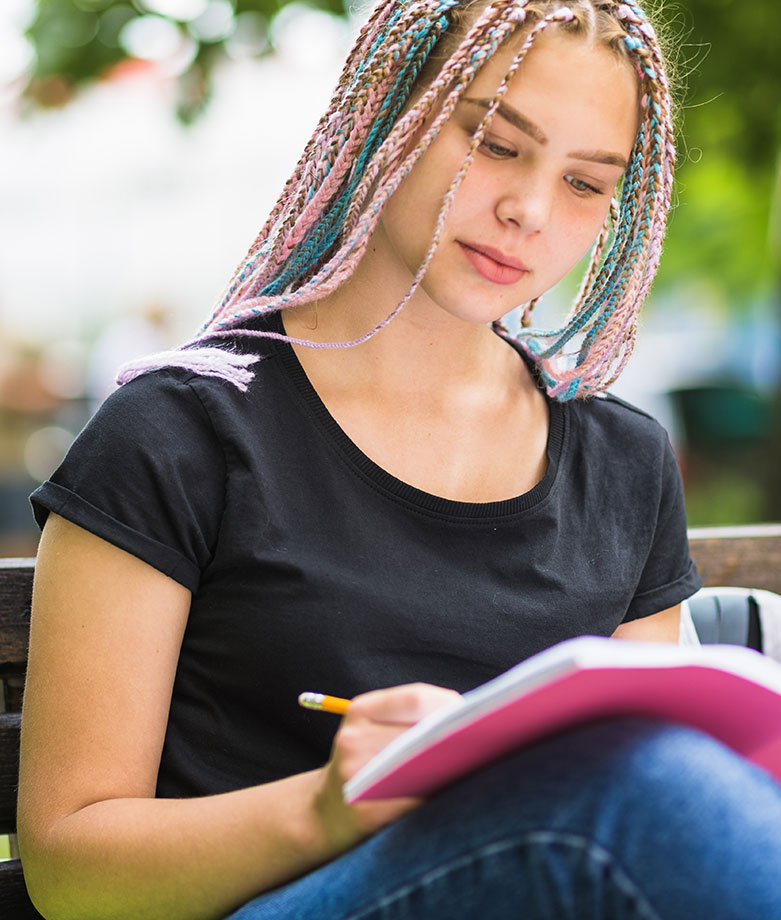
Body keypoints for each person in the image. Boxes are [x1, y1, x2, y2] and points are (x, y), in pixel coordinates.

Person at [16, 1, 781, 918]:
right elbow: (68, 869)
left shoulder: (623, 457)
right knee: (633, 794)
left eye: (585, 183)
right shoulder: (179, 432)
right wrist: (333, 807)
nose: (527, 210)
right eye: (493, 144)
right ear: (386, 112)